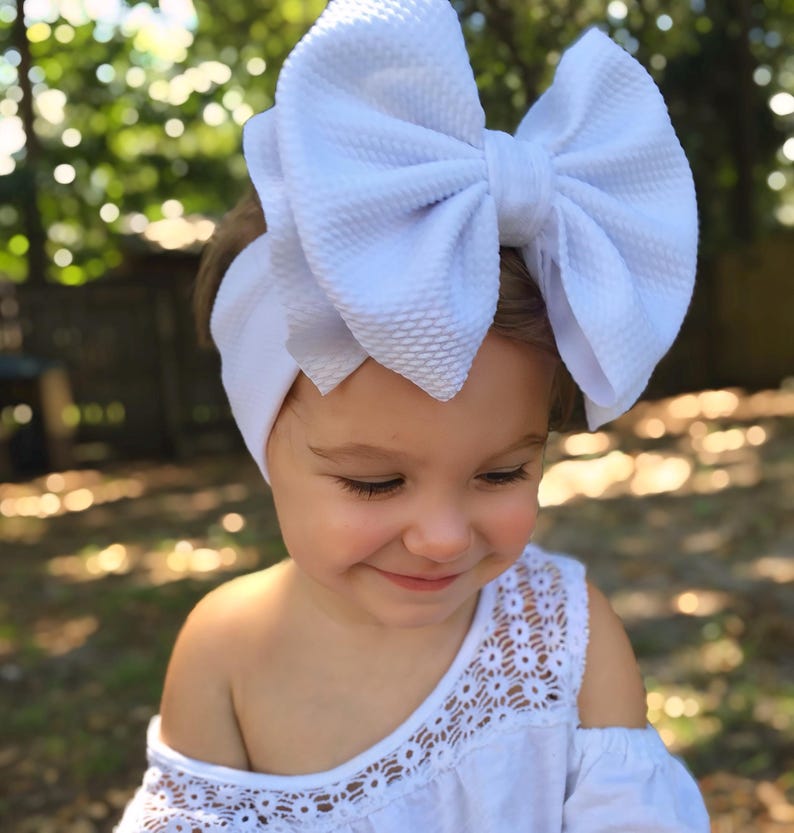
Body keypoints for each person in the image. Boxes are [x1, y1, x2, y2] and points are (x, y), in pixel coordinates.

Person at [116, 0, 709, 830]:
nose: (440, 535)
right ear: (265, 443)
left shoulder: (565, 640)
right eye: (374, 481)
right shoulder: (225, 654)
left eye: (502, 472)